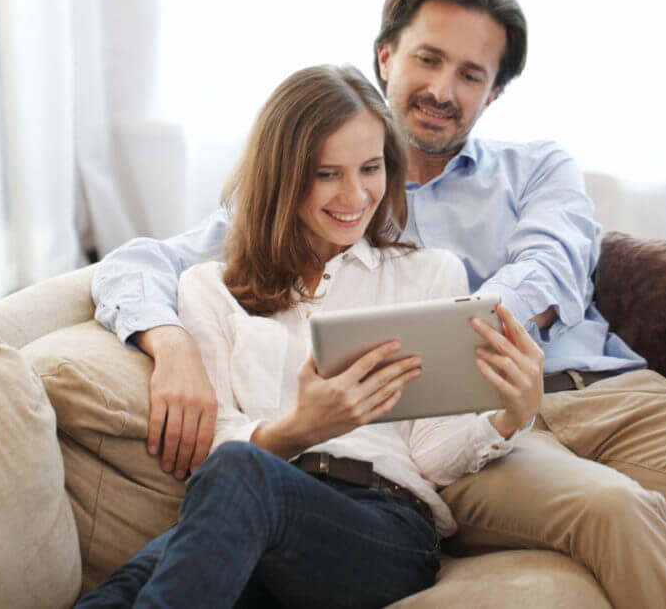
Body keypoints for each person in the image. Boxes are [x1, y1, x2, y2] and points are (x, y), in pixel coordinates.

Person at [92, 0, 666, 609]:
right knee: (616, 510)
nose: (444, 89)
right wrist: (170, 342)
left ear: (495, 91)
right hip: (470, 421)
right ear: (387, 55)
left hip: (598, 385)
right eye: (429, 59)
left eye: (471, 74)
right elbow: (141, 265)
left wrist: (465, 326)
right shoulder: (304, 203)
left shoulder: (531, 171)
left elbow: (557, 261)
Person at [78, 64, 543, 608]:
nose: (356, 195)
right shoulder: (210, 287)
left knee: (238, 477)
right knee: (115, 596)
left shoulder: (430, 276)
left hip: (378, 528)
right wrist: (300, 429)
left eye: (370, 168)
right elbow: (212, 446)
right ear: (283, 176)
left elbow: (432, 458)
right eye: (327, 174)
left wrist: (511, 414)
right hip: (245, 513)